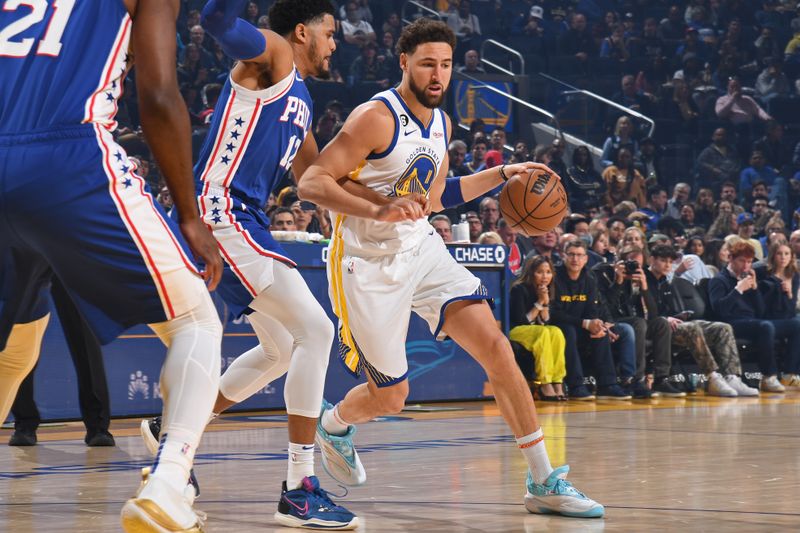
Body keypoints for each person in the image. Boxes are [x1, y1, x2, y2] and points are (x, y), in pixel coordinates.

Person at [298, 18, 604, 518]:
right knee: (393, 397)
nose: (437, 74)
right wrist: (379, 207)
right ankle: (334, 426)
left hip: (420, 248)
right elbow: (312, 182)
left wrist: (503, 173)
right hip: (366, 263)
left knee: (497, 347)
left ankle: (543, 478)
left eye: (444, 65)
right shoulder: (375, 117)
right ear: (404, 63)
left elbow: (439, 197)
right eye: (426, 65)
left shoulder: (441, 123)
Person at [0, 1, 226, 531]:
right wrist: (190, 216)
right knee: (195, 320)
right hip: (66, 155)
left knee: (17, 346)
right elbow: (158, 96)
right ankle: (169, 483)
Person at [138, 1, 361, 529]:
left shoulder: (301, 100)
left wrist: (388, 200)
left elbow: (319, 180)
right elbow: (217, 23)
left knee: (282, 346)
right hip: (221, 213)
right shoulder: (276, 54)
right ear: (304, 32)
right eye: (331, 34)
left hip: (246, 222)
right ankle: (300, 488)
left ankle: (174, 427)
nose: (335, 44)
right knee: (314, 330)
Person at [646, 245, 758, 397]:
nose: (667, 265)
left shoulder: (666, 282)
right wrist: (666, 318)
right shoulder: (643, 280)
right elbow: (644, 312)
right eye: (663, 260)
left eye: (670, 262)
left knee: (722, 327)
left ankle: (732, 377)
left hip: (675, 323)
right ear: (651, 260)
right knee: (692, 328)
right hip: (657, 327)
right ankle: (712, 377)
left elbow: (668, 308)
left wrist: (678, 315)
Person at [708, 241, 800, 393]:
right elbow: (719, 310)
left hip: (753, 321)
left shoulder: (748, 277)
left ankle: (790, 373)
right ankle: (769, 376)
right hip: (731, 323)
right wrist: (738, 290)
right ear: (730, 259)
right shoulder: (719, 280)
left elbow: (761, 310)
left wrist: (756, 288)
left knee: (796, 325)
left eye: (749, 262)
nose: (746, 266)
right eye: (742, 261)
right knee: (765, 326)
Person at [550, 241, 631, 401]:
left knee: (599, 333)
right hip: (560, 326)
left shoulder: (589, 277)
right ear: (563, 256)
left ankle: (607, 384)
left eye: (579, 255)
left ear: (586, 259)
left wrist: (597, 325)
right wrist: (586, 324)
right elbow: (554, 313)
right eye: (571, 254)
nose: (575, 259)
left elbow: (592, 308)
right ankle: (576, 385)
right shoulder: (555, 277)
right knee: (568, 331)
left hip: (581, 324)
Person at [594, 246, 672, 398]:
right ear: (618, 261)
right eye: (630, 264)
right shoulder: (601, 273)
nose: (633, 268)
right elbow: (605, 308)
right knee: (638, 323)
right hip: (611, 322)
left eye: (637, 265)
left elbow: (653, 314)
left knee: (661, 323)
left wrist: (644, 287)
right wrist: (617, 281)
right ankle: (637, 379)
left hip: (632, 322)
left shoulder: (634, 279)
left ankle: (662, 378)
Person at [509, 256, 567, 401]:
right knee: (543, 334)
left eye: (548, 272)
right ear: (531, 273)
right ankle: (544, 383)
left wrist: (545, 303)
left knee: (556, 332)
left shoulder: (547, 290)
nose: (545, 276)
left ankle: (557, 381)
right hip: (515, 330)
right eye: (540, 272)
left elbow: (545, 322)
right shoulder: (519, 289)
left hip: (535, 330)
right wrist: (540, 302)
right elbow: (523, 321)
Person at [755, 243, 800, 389]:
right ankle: (787, 373)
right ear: (773, 256)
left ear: (792, 257)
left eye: (787, 254)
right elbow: (761, 307)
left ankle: (791, 373)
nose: (783, 257)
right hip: (767, 319)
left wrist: (789, 294)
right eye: (779, 253)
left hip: (785, 318)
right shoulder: (763, 274)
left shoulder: (794, 275)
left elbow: (790, 309)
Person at [564, 145, 606, 213]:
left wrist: (593, 192)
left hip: (593, 202)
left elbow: (603, 186)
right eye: (579, 155)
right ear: (575, 156)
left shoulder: (593, 172)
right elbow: (578, 186)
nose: (582, 157)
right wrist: (594, 186)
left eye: (584, 155)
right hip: (578, 203)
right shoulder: (570, 171)